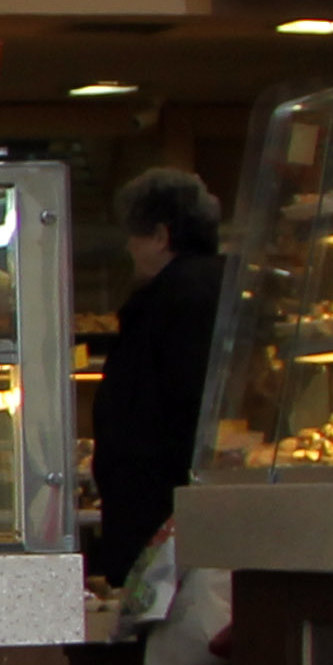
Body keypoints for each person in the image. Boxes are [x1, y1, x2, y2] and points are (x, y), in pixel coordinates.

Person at [88, 165, 225, 591]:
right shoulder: (223, 287)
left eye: (135, 235)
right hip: (186, 502)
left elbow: (172, 400)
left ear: (162, 236)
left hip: (160, 508)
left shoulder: (171, 299)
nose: (129, 247)